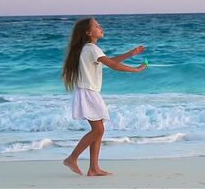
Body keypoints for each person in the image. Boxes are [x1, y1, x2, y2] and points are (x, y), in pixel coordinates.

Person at [61, 17, 147, 176]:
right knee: (98, 129)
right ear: (88, 32)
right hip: (89, 93)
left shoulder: (89, 49)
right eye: (96, 26)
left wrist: (131, 53)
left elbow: (109, 61)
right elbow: (113, 65)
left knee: (98, 130)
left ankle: (93, 168)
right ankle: (72, 158)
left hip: (87, 92)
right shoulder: (91, 49)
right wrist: (136, 70)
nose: (100, 27)